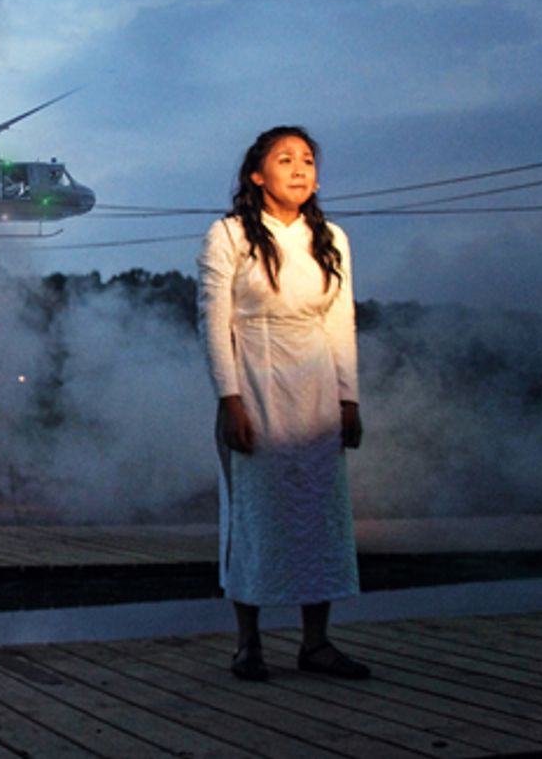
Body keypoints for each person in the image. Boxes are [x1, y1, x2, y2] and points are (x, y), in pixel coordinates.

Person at [196, 126, 369, 682]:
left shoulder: (332, 238)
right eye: (285, 159)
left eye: (308, 160)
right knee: (256, 515)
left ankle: (316, 644)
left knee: (320, 516)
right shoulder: (228, 235)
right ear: (256, 174)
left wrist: (349, 399)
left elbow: (341, 322)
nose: (300, 168)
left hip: (316, 392)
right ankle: (248, 644)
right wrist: (230, 400)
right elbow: (213, 322)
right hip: (256, 387)